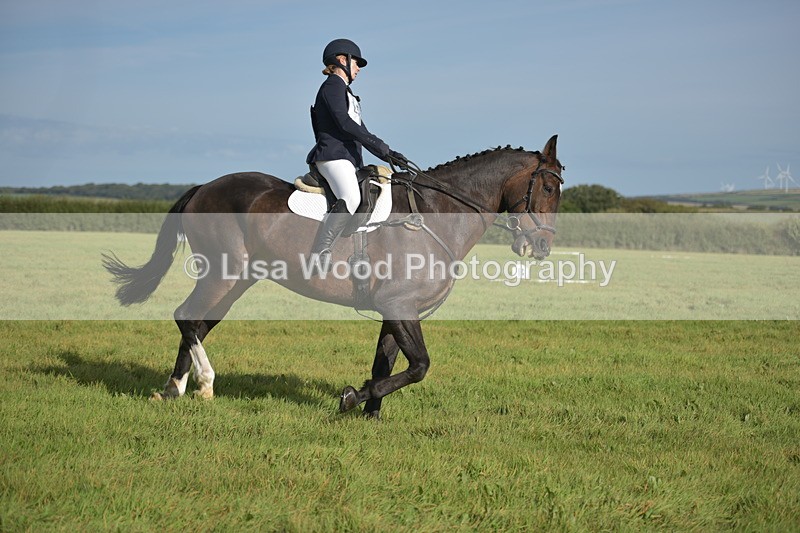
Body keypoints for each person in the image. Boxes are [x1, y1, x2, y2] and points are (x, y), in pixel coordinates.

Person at [306, 38, 406, 271]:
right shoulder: (332, 86)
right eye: (356, 63)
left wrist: (388, 153)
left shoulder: (346, 92)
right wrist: (380, 147)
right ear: (342, 60)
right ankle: (321, 252)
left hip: (347, 158)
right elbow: (345, 125)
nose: (358, 68)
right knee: (351, 198)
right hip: (332, 156)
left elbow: (361, 129)